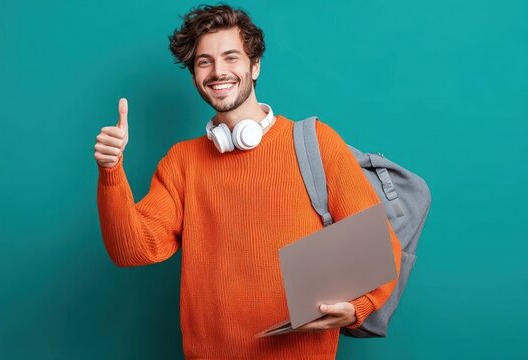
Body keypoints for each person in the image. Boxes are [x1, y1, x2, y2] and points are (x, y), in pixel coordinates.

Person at [93, 4, 401, 359]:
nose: (218, 71)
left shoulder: (316, 142)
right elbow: (132, 249)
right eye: (204, 61)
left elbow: (381, 246)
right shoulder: (181, 162)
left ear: (255, 66)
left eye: (231, 57)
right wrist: (111, 169)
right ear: (194, 73)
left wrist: (357, 308)